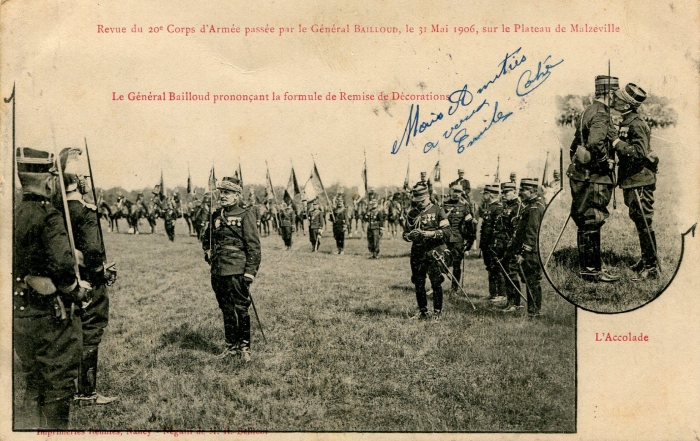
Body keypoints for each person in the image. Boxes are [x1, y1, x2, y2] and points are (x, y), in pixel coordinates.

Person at [13, 147, 89, 428]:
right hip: (50, 315)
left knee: (33, 381)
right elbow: (62, 266)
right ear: (48, 180)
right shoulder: (49, 215)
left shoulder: (14, 213)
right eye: (53, 176)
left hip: (20, 313)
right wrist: (75, 288)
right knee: (57, 385)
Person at [57, 148, 118, 405]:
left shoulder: (55, 208)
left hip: (64, 283)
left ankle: (66, 387)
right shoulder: (85, 209)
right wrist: (101, 271)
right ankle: (86, 392)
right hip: (88, 282)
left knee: (69, 331)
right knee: (91, 331)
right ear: (78, 180)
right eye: (83, 175)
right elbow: (93, 252)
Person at [567, 75, 620, 283]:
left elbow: (574, 144)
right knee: (593, 220)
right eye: (615, 94)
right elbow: (596, 142)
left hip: (581, 175)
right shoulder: (601, 113)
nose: (617, 98)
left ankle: (588, 269)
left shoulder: (587, 110)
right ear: (609, 93)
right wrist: (606, 161)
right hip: (595, 177)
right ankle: (591, 270)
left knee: (584, 220)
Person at [202, 177, 261, 361]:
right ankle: (231, 347)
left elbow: (254, 247)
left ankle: (244, 348)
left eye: (227, 193)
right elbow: (207, 239)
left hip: (237, 270)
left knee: (240, 309)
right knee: (226, 308)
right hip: (218, 270)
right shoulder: (216, 215)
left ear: (237, 196)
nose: (222, 196)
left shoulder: (245, 214)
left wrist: (250, 272)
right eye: (221, 192)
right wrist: (208, 250)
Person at [611, 83, 659, 279]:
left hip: (640, 181)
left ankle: (651, 267)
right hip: (632, 180)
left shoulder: (636, 123)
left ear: (626, 105)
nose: (614, 100)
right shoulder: (627, 120)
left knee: (644, 222)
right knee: (639, 221)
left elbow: (639, 153)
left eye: (618, 99)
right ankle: (646, 258)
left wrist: (616, 142)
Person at [402, 183, 451, 321]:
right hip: (417, 253)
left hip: (433, 252)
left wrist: (429, 234)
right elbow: (405, 234)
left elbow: (447, 232)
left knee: (436, 282)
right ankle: (422, 311)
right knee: (418, 282)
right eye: (417, 201)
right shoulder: (412, 213)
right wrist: (410, 236)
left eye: (422, 200)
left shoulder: (437, 210)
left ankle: (437, 312)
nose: (419, 204)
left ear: (428, 197)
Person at [509, 178, 546, 317]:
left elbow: (532, 232)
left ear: (532, 191)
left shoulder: (534, 208)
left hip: (532, 252)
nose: (520, 193)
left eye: (523, 190)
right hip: (532, 251)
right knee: (531, 281)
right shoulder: (532, 206)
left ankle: (534, 312)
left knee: (532, 281)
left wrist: (523, 253)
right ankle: (533, 311)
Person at [495, 181, 523, 312]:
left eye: (507, 192)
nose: (505, 195)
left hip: (511, 244)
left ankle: (515, 303)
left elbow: (516, 229)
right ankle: (510, 301)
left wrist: (511, 245)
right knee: (505, 272)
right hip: (503, 243)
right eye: (504, 192)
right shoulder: (506, 205)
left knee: (511, 272)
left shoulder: (518, 206)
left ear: (515, 192)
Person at [442, 183, 476, 293]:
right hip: (445, 238)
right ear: (450, 191)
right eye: (454, 191)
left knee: (456, 264)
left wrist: (470, 240)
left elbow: (469, 225)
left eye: (458, 192)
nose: (456, 194)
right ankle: (436, 286)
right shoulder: (444, 204)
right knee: (441, 263)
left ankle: (454, 288)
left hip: (458, 239)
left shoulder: (465, 206)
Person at [480, 184, 505, 301]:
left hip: (493, 243)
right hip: (486, 243)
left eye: (484, 194)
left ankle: (501, 294)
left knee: (497, 268)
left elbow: (497, 229)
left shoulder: (498, 208)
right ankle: (493, 293)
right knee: (490, 268)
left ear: (489, 194)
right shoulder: (488, 207)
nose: (483, 196)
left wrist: (493, 244)